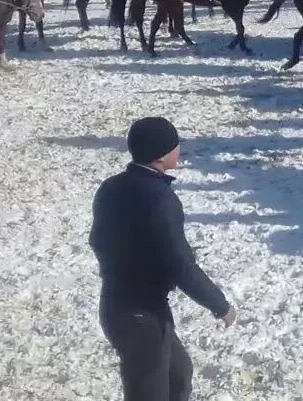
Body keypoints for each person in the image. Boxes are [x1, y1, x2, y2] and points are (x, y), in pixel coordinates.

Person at [90, 117, 236, 401]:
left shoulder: (110, 187)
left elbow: (97, 240)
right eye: (175, 144)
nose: (179, 149)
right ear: (160, 154)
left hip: (117, 304)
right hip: (141, 314)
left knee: (178, 374)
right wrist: (220, 306)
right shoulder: (161, 200)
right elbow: (180, 264)